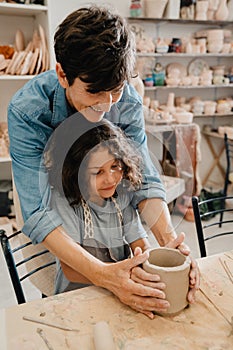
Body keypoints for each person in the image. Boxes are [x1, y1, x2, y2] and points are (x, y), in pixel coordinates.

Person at [8, 5, 199, 319]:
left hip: (109, 207)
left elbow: (143, 179)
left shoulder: (125, 101)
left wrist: (169, 244)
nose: (107, 105)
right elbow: (39, 213)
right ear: (62, 75)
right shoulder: (28, 111)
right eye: (95, 92)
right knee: (62, 306)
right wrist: (104, 275)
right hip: (55, 214)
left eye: (116, 91)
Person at [46, 117, 154, 294]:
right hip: (76, 294)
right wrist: (119, 278)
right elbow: (70, 270)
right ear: (76, 172)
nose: (111, 179)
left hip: (119, 287)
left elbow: (141, 244)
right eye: (98, 172)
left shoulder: (121, 196)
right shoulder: (65, 203)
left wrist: (147, 263)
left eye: (115, 166)